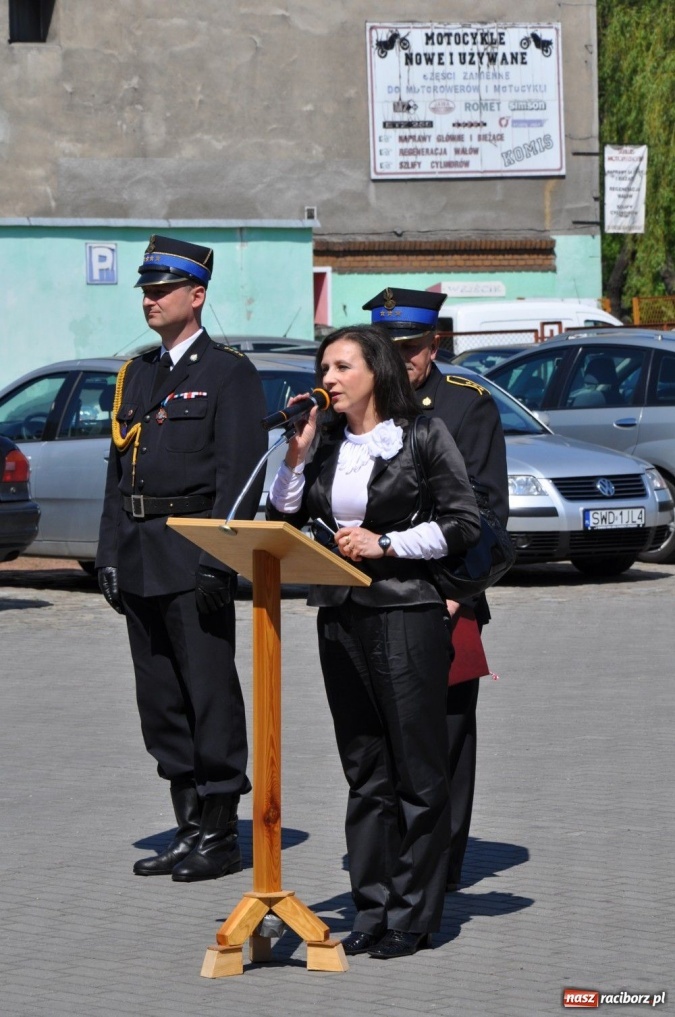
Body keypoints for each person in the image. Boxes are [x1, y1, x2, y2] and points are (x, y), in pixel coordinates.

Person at [267, 326, 481, 958]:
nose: (328, 378)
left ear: (374, 372)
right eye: (324, 367)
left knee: (417, 770)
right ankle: (373, 906)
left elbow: (463, 522)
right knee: (365, 771)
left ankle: (415, 914)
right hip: (340, 616)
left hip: (406, 613)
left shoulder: (420, 435)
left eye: (341, 367)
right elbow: (285, 513)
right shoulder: (326, 440)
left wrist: (386, 544)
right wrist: (296, 457)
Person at [96, 234, 267, 882]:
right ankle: (187, 823)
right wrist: (108, 553)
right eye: (145, 289)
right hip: (140, 554)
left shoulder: (227, 374)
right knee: (161, 699)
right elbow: (118, 473)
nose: (149, 299)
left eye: (162, 289)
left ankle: (220, 832)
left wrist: (220, 559)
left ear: (196, 296)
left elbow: (239, 476)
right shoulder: (138, 373)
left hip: (194, 556)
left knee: (208, 693)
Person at [363, 286, 509, 891]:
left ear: (435, 345)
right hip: (372, 596)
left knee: (443, 738)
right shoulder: (364, 407)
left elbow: (486, 513)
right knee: (381, 738)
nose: (400, 363)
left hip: (444, 595)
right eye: (388, 352)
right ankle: (391, 858)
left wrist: (453, 593)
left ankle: (440, 864)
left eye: (412, 349)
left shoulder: (466, 406)